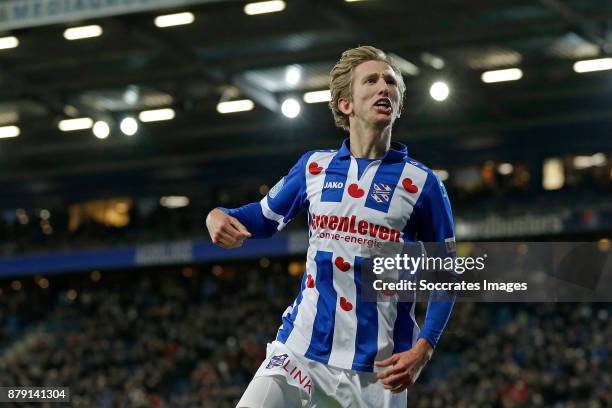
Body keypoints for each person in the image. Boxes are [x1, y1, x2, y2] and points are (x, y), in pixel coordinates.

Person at [206, 45, 456, 408]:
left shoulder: (423, 183)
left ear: (399, 104)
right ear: (345, 104)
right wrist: (216, 215)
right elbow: (260, 219)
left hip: (377, 371)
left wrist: (424, 348)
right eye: (371, 80)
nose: (383, 87)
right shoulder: (314, 168)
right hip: (301, 350)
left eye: (390, 81)